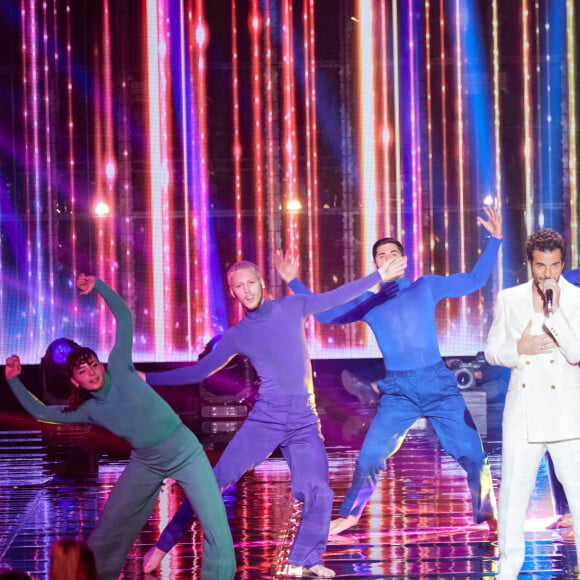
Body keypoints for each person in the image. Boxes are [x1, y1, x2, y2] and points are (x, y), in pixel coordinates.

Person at [141, 255, 407, 578]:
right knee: (213, 483)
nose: (246, 289)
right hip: (267, 418)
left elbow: (337, 296)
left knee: (319, 491)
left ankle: (305, 560)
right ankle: (163, 544)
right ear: (233, 293)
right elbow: (199, 370)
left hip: (304, 419)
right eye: (239, 286)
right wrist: (150, 380)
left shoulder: (292, 307)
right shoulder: (238, 335)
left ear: (262, 283)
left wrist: (377, 275)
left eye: (251, 282)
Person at [278, 206, 502, 535]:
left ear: (404, 260)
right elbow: (325, 315)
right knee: (369, 457)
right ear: (376, 266)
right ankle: (350, 514)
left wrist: (495, 239)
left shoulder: (425, 286)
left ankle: (487, 514)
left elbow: (474, 279)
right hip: (399, 393)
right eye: (381, 255)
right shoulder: (369, 302)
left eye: (393, 252)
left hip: (438, 386)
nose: (388, 258)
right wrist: (293, 281)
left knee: (471, 453)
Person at [4, 274, 235, 580]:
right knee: (110, 526)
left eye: (93, 365)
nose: (91, 373)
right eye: (83, 371)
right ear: (75, 381)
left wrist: (98, 285)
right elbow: (39, 410)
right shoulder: (87, 410)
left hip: (185, 451)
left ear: (101, 363)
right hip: (146, 463)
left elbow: (124, 317)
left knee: (216, 526)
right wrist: (12, 379)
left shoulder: (122, 368)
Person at [484, 228, 580, 579]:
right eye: (541, 266)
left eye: (555, 265)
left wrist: (554, 313)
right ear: (530, 264)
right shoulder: (510, 299)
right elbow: (492, 351)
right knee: (512, 498)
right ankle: (506, 572)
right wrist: (517, 349)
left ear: (563, 263)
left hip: (568, 414)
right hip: (522, 413)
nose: (548, 273)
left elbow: (576, 351)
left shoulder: (576, 299)